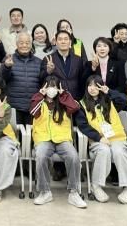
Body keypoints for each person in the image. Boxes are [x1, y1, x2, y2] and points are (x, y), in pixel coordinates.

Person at [74, 75, 127, 204]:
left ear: (101, 87)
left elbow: (125, 100)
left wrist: (109, 91)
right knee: (104, 151)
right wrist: (99, 138)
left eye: (96, 85)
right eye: (89, 85)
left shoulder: (110, 100)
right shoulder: (81, 104)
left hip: (116, 138)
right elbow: (83, 126)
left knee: (119, 152)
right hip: (98, 140)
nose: (92, 88)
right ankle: (96, 186)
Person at [30, 75, 86, 208]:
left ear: (59, 88)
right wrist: (40, 95)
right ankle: (45, 192)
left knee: (73, 157)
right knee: (41, 156)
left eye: (54, 86)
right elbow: (33, 112)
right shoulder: (38, 100)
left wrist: (64, 95)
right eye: (49, 86)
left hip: (62, 138)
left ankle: (74, 192)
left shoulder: (64, 100)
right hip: (43, 138)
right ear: (44, 87)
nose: (51, 89)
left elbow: (75, 108)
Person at [0, 32, 41, 125]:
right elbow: (2, 80)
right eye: (21, 43)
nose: (24, 45)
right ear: (16, 44)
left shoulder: (39, 62)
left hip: (33, 107)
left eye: (27, 43)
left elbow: (42, 82)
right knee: (15, 133)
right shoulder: (8, 59)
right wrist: (6, 67)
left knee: (31, 133)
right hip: (14, 107)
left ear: (31, 44)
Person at [40, 30, 86, 100]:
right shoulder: (48, 59)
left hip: (75, 99)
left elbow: (82, 81)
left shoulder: (78, 60)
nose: (63, 41)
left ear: (70, 42)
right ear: (56, 42)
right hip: (56, 99)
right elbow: (41, 79)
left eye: (66, 39)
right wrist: (48, 71)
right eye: (60, 39)